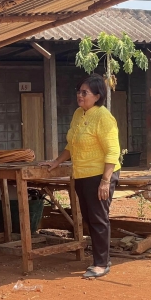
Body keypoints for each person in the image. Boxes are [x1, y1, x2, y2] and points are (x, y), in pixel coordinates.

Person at [42, 74, 120, 279]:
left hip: (100, 175)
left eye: (85, 92)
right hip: (82, 174)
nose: (80, 95)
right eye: (79, 91)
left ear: (97, 96)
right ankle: (100, 258)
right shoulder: (79, 113)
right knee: (89, 218)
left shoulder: (103, 117)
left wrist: (105, 181)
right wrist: (57, 161)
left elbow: (113, 151)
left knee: (98, 218)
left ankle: (101, 264)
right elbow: (72, 144)